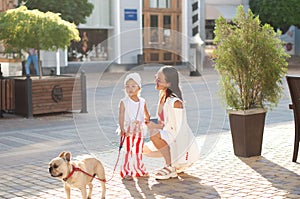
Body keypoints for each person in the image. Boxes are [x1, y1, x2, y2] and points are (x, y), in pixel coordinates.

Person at [143, 66, 200, 180]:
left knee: (154, 133)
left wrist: (180, 157)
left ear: (168, 84)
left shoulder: (176, 103)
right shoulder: (163, 96)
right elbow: (164, 122)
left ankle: (171, 167)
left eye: (159, 80)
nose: (156, 81)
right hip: (168, 135)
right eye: (156, 77)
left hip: (177, 140)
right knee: (142, 149)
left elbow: (179, 131)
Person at [118, 73, 150, 180]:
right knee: (128, 151)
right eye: (127, 86)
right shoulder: (124, 102)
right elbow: (121, 115)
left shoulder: (142, 101)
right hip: (127, 130)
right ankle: (126, 171)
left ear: (139, 87)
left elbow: (146, 114)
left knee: (138, 150)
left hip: (139, 130)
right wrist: (122, 128)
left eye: (133, 86)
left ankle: (139, 169)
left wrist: (147, 121)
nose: (130, 88)